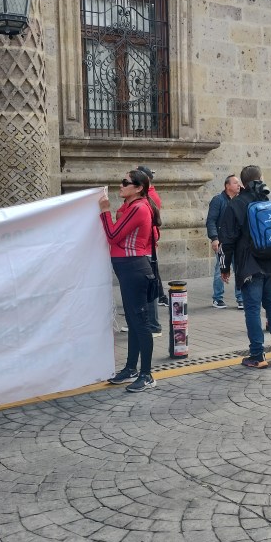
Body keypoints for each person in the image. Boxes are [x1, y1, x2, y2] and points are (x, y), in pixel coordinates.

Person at [219, 164, 271, 368]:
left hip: (249, 264)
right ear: (262, 177)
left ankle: (257, 356)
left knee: (252, 309)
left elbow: (226, 240)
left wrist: (224, 267)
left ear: (242, 183)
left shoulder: (236, 204)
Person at [99, 169, 161, 393]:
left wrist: (105, 212)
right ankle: (131, 368)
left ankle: (146, 375)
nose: (121, 185)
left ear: (138, 188)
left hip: (134, 268)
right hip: (128, 268)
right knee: (134, 322)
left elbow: (113, 236)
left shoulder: (139, 208)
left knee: (141, 323)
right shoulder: (132, 206)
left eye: (126, 182)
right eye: (121, 181)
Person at [206, 174, 243, 309]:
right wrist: (214, 238)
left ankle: (241, 298)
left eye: (239, 183)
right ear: (227, 186)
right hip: (223, 241)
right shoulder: (218, 200)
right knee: (220, 269)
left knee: (239, 269)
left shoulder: (240, 200)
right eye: (235, 183)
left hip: (237, 241)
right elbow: (211, 220)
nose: (238, 185)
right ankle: (218, 298)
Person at [136, 165, 164, 334]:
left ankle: (152, 324)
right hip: (147, 247)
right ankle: (146, 321)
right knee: (148, 287)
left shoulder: (148, 198)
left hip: (146, 248)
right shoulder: (148, 197)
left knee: (148, 288)